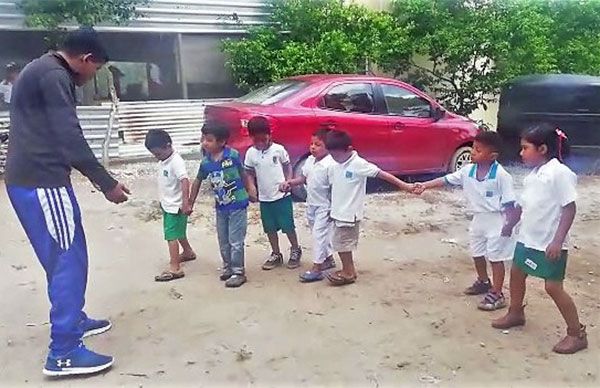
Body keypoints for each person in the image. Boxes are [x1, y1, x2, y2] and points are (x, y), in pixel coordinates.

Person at [5, 27, 130, 377]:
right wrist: (106, 183)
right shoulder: (54, 75)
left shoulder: (42, 69)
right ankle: (63, 351)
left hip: (31, 180)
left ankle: (73, 319)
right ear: (86, 59)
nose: (94, 77)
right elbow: (69, 137)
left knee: (64, 255)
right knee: (67, 259)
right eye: (97, 69)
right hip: (43, 182)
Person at [492, 123, 588, 354]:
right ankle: (516, 312)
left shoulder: (560, 173)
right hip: (527, 238)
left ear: (542, 149)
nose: (521, 153)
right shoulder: (534, 175)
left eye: (525, 148)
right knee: (517, 273)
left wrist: (557, 241)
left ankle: (576, 333)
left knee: (553, 287)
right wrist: (511, 224)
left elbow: (569, 209)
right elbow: (526, 206)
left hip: (549, 243)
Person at [414, 132, 518, 311]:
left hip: (497, 220)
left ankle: (497, 292)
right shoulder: (467, 170)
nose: (473, 152)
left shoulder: (502, 176)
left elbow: (511, 204)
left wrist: (509, 226)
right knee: (477, 252)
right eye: (473, 148)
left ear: (492, 156)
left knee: (495, 258)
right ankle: (484, 281)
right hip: (479, 218)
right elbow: (446, 180)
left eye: (478, 150)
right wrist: (424, 185)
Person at [325, 130, 414, 286]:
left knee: (343, 244)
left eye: (336, 155)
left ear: (349, 149)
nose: (334, 158)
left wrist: (404, 185)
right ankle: (349, 270)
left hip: (349, 213)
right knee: (340, 244)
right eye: (332, 155)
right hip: (338, 211)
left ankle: (348, 272)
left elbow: (381, 174)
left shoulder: (359, 164)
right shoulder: (336, 164)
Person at [190, 122, 250, 288]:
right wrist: (190, 202)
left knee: (235, 240)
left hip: (237, 204)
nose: (205, 143)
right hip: (221, 207)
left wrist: (250, 190)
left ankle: (238, 271)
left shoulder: (233, 156)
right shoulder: (206, 163)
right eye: (203, 139)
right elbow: (197, 181)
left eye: (209, 140)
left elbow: (243, 173)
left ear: (222, 142)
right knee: (223, 239)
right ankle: (228, 267)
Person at [244, 116, 303, 270]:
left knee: (288, 225)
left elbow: (287, 166)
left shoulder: (278, 149)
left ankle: (295, 249)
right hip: (265, 197)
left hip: (281, 196)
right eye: (257, 140)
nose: (261, 143)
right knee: (269, 227)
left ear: (269, 134)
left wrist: (288, 181)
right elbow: (249, 172)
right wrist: (251, 187)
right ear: (251, 137)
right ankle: (276, 253)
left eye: (264, 139)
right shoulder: (251, 153)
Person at [281, 128, 337, 282]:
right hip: (312, 204)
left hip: (325, 206)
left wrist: (334, 208)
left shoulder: (331, 165)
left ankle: (317, 268)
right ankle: (328, 258)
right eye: (311, 144)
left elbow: (335, 188)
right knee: (318, 233)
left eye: (318, 144)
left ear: (328, 147)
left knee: (319, 235)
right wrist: (290, 183)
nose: (313, 147)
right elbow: (303, 178)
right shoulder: (310, 161)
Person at [145, 129, 196, 282]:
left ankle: (175, 267)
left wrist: (186, 203)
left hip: (176, 206)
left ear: (168, 146)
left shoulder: (176, 161)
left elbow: (185, 181)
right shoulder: (164, 160)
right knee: (178, 232)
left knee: (171, 236)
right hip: (167, 204)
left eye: (158, 154)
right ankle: (188, 252)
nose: (157, 157)